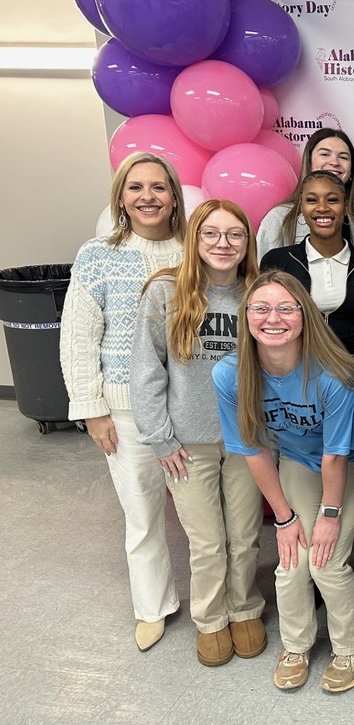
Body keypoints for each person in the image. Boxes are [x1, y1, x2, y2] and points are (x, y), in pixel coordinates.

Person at [213, 271, 354, 693]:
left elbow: (336, 456)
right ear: (245, 315)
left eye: (286, 308)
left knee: (325, 561)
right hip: (299, 463)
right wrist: (284, 520)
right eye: (261, 308)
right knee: (291, 561)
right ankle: (297, 646)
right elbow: (253, 449)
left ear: (304, 315)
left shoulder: (333, 375)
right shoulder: (229, 374)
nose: (274, 318)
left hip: (352, 466)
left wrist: (329, 516)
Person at [60, 151, 186, 651]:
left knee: (204, 513)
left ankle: (216, 605)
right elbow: (78, 336)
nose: (147, 197)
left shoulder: (195, 250)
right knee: (142, 512)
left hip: (190, 408)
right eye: (136, 188)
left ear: (174, 196)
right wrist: (91, 408)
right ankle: (152, 607)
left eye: (158, 187)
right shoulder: (97, 256)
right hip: (126, 409)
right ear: (121, 197)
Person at [131, 200, 265, 667]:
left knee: (245, 535)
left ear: (248, 243)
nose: (223, 244)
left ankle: (244, 606)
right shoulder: (166, 292)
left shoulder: (258, 292)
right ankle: (210, 619)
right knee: (206, 541)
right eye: (211, 234)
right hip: (188, 443)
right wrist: (161, 438)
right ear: (194, 239)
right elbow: (147, 371)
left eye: (235, 235)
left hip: (248, 440)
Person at [261, 170, 354, 358]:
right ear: (301, 207)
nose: (322, 208)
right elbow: (265, 323)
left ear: (345, 207)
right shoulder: (278, 261)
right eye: (312, 200)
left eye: (332, 200)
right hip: (295, 373)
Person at [256, 128, 354, 263]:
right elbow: (262, 277)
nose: (334, 162)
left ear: (352, 169)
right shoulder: (279, 218)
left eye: (343, 157)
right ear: (309, 162)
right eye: (325, 154)